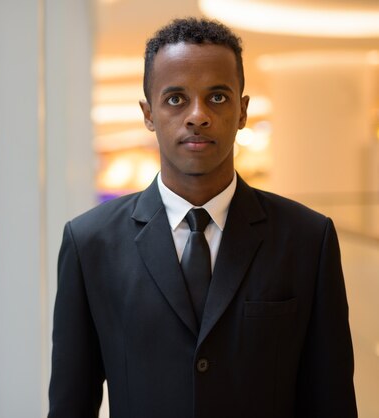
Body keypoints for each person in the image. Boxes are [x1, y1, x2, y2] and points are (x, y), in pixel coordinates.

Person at [48, 17, 357, 418]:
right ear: (148, 113)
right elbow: (71, 404)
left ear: (242, 110)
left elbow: (331, 401)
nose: (197, 115)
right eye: (176, 99)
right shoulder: (89, 243)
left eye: (217, 97)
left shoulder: (307, 239)